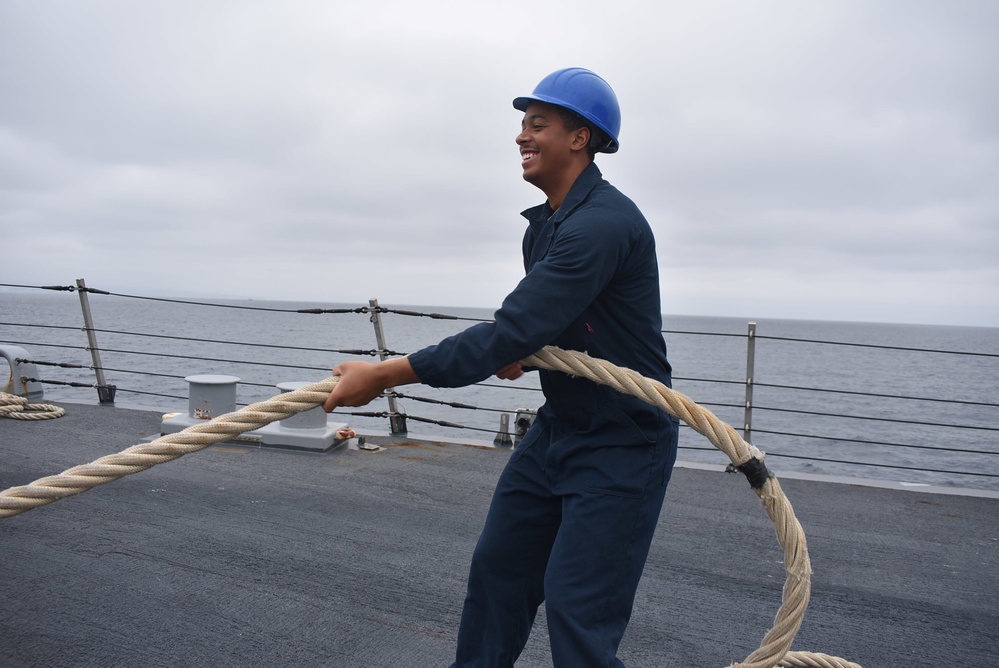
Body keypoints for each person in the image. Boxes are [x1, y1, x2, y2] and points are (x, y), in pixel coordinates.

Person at [323, 67, 679, 668]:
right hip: (559, 428)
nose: (522, 136)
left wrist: (381, 376)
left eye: (538, 124)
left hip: (624, 439)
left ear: (580, 138)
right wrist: (520, 346)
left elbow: (512, 328)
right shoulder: (545, 226)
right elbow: (544, 321)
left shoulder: (601, 225)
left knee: (577, 612)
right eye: (521, 124)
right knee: (498, 578)